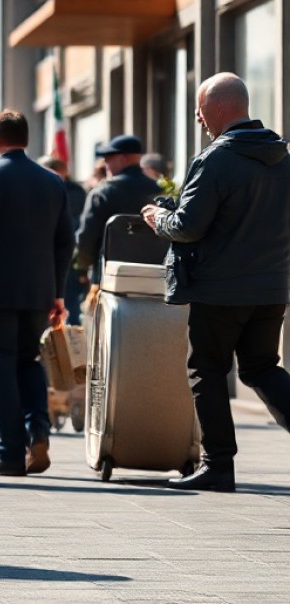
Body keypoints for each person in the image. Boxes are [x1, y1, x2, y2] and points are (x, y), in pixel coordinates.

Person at [142, 73, 290, 493]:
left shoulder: (216, 159)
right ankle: (217, 465)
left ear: (220, 107)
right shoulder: (281, 157)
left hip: (220, 289)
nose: (197, 116)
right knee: (261, 367)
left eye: (200, 108)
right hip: (271, 287)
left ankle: (218, 466)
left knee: (206, 370)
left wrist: (158, 218)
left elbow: (188, 226)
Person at [0, 110, 73, 477]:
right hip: (39, 293)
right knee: (30, 363)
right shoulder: (52, 181)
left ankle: (11, 451)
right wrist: (58, 293)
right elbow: (65, 241)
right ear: (26, 138)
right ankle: (38, 431)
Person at [73, 135, 161, 293]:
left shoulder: (102, 192)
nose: (105, 164)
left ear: (122, 159)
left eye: (108, 159)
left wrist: (83, 268)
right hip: (155, 278)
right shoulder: (160, 190)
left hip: (110, 279)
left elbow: (87, 237)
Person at [39, 156, 90, 325]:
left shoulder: (48, 189)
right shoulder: (79, 191)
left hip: (55, 255)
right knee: (70, 305)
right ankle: (71, 338)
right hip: (70, 254)